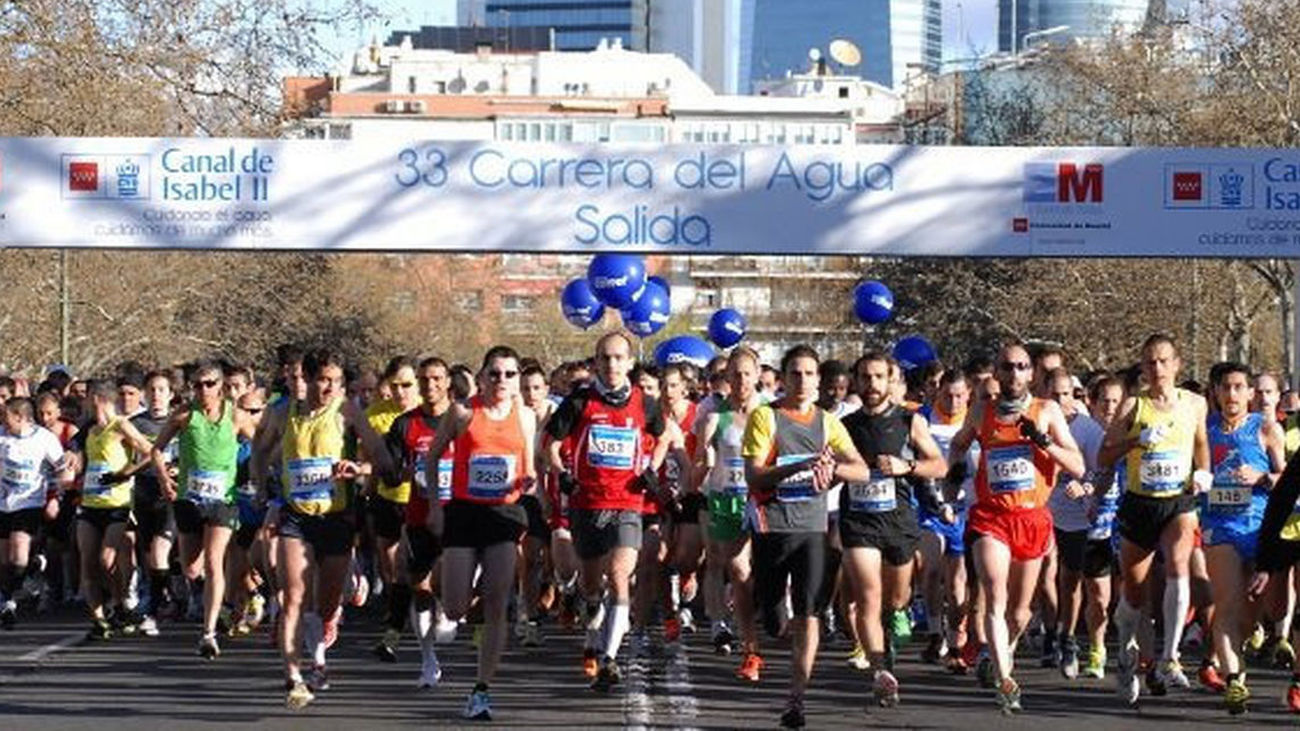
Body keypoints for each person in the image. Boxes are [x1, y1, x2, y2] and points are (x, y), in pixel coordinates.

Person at [252, 347, 393, 709]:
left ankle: (323, 637)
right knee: (294, 597)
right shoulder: (284, 414)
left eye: (335, 381)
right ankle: (295, 675)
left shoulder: (346, 411)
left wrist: (359, 471)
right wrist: (259, 485)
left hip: (337, 518)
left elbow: (378, 456)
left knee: (327, 604)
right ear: (307, 379)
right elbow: (260, 448)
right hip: (296, 518)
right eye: (322, 380)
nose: (328, 387)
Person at [948, 341, 1084, 713]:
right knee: (995, 595)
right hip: (991, 517)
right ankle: (1007, 680)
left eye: (1021, 367)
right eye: (1007, 367)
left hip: (1032, 518)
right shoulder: (981, 411)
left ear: (1031, 373)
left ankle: (1001, 652)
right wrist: (954, 473)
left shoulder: (1048, 410)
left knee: (1022, 611)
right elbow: (958, 446)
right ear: (997, 371)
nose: (1014, 374)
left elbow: (1078, 466)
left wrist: (1044, 443)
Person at [742, 344, 871, 729]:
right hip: (771, 528)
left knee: (809, 614)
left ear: (819, 380)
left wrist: (833, 470)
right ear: (783, 379)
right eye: (795, 373)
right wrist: (797, 466)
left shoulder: (828, 423)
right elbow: (754, 476)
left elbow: (861, 471)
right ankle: (772, 622)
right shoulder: (767, 417)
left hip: (812, 530)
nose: (803, 380)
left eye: (809, 374)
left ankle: (796, 697)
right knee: (776, 621)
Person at [418, 345, 537, 721]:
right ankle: (445, 593)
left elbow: (529, 466)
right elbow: (434, 456)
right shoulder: (463, 411)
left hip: (505, 513)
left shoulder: (527, 415)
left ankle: (481, 690)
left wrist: (531, 482)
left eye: (510, 374)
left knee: (497, 602)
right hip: (465, 512)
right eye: (495, 373)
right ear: (482, 376)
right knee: (455, 607)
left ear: (518, 380)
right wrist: (437, 505)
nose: (502, 381)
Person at [546, 331, 667, 689]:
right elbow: (550, 444)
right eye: (605, 358)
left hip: (628, 502)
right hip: (587, 503)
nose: (612, 364)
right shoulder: (580, 401)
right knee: (591, 585)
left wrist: (650, 469)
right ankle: (591, 624)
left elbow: (663, 435)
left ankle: (610, 660)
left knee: (618, 576)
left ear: (629, 363)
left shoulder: (644, 403)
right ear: (596, 362)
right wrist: (562, 473)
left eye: (618, 358)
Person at [1098, 333, 1210, 704]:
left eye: (1163, 361)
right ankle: (1127, 655)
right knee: (1134, 592)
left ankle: (1169, 658)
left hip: (1177, 501)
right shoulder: (1133, 406)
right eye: (1149, 362)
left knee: (1179, 565)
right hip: (1139, 504)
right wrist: (1137, 439)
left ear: (1177, 364)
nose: (1157, 368)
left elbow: (1200, 445)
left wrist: (1203, 472)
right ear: (1143, 367)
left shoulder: (1195, 403)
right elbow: (1104, 455)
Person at [839, 352, 948, 706]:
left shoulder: (909, 421)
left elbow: (940, 466)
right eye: (865, 377)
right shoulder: (844, 425)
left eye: (878, 377)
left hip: (898, 522)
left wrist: (907, 465)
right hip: (858, 521)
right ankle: (881, 670)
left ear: (890, 381)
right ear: (856, 381)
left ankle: (897, 618)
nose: (871, 384)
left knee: (896, 599)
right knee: (868, 596)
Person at [151, 359, 257, 659]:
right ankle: (214, 599)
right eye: (196, 385)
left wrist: (265, 473)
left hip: (222, 500)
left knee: (213, 562)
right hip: (189, 500)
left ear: (221, 386)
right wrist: (163, 478)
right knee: (192, 568)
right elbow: (156, 449)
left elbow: (263, 444)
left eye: (209, 384)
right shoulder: (184, 415)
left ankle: (209, 633)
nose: (202, 390)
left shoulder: (235, 417)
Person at [1199, 362, 1284, 713]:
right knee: (1228, 603)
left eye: (1238, 387)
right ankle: (1234, 680)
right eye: (1225, 388)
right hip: (1221, 527)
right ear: (1216, 393)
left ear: (1250, 393)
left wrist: (1262, 475)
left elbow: (1286, 479)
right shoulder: (1204, 431)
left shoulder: (1266, 429)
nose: (1231, 395)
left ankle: (1247, 645)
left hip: (1261, 527)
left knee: (1261, 612)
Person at [383, 356, 457, 689]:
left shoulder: (462, 419)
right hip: (419, 516)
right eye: (424, 379)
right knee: (420, 588)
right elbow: (393, 469)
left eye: (437, 379)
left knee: (447, 581)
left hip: (458, 515)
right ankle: (428, 660)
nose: (430, 386)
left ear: (448, 383)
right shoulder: (404, 424)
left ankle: (449, 606)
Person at [695, 348, 765, 680]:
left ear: (757, 375)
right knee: (736, 569)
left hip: (763, 500)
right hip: (727, 502)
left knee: (759, 575)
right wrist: (697, 473)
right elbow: (699, 465)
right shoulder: (713, 417)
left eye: (746, 374)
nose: (740, 381)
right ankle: (750, 649)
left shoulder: (770, 414)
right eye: (734, 375)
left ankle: (762, 619)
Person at [75, 380, 155, 639]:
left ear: (97, 398)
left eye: (87, 398)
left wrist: (125, 474)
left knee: (106, 561)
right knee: (88, 563)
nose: (83, 403)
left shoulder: (120, 425)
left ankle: (120, 603)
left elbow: (150, 453)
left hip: (116, 504)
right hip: (90, 503)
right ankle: (99, 621)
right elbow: (80, 458)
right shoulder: (89, 429)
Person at [1042, 368, 1106, 679]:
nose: (1060, 401)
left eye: (1065, 395)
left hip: (1075, 517)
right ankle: (1047, 635)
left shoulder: (1089, 430)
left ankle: (1067, 638)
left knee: (1070, 579)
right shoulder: (1033, 424)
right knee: (1043, 574)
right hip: (1039, 511)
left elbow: (1100, 474)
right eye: (1053, 395)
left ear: (1074, 396)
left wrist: (1086, 488)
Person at [362, 356, 423, 663]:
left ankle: (405, 618)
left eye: (407, 385)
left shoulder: (433, 412)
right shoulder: (375, 416)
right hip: (388, 496)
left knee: (408, 566)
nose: (401, 393)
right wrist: (368, 489)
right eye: (395, 386)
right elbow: (371, 461)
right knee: (389, 563)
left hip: (421, 501)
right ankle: (398, 606)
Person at [916, 367, 974, 670]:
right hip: (932, 509)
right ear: (938, 393)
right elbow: (923, 470)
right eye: (947, 395)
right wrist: (940, 505)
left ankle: (954, 644)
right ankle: (934, 633)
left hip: (966, 510)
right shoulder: (924, 420)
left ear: (968, 396)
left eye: (959, 396)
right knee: (931, 570)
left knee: (958, 583)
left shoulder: (975, 421)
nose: (953, 402)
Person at [0, 397, 72, 628]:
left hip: (30, 502)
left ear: (20, 417)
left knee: (18, 554)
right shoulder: (1, 436)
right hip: (3, 502)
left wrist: (57, 496)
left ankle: (9, 601)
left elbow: (62, 470)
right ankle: (17, 586)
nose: (3, 421)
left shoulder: (44, 439)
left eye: (6, 417)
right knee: (4, 561)